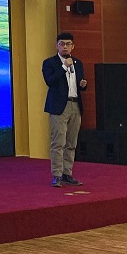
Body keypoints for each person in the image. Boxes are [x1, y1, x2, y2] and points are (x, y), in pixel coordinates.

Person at [42, 32, 88, 187]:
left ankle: (67, 174)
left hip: (75, 105)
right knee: (58, 142)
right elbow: (50, 81)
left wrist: (83, 85)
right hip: (58, 106)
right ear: (57, 46)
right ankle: (57, 175)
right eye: (62, 44)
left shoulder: (78, 63)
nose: (65, 47)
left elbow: (78, 84)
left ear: (73, 46)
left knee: (71, 142)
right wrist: (64, 67)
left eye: (68, 44)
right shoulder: (50, 63)